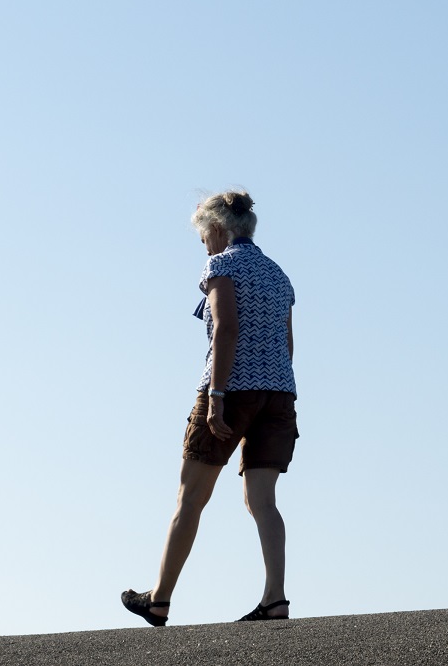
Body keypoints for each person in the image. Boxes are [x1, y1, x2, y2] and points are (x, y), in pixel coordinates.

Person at [122, 190, 299, 625]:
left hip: (231, 389)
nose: (203, 244)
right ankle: (275, 599)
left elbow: (225, 329)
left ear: (217, 229)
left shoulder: (221, 265)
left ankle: (159, 599)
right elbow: (287, 344)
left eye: (203, 236)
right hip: (279, 393)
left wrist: (218, 397)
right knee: (263, 501)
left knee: (191, 497)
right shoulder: (279, 276)